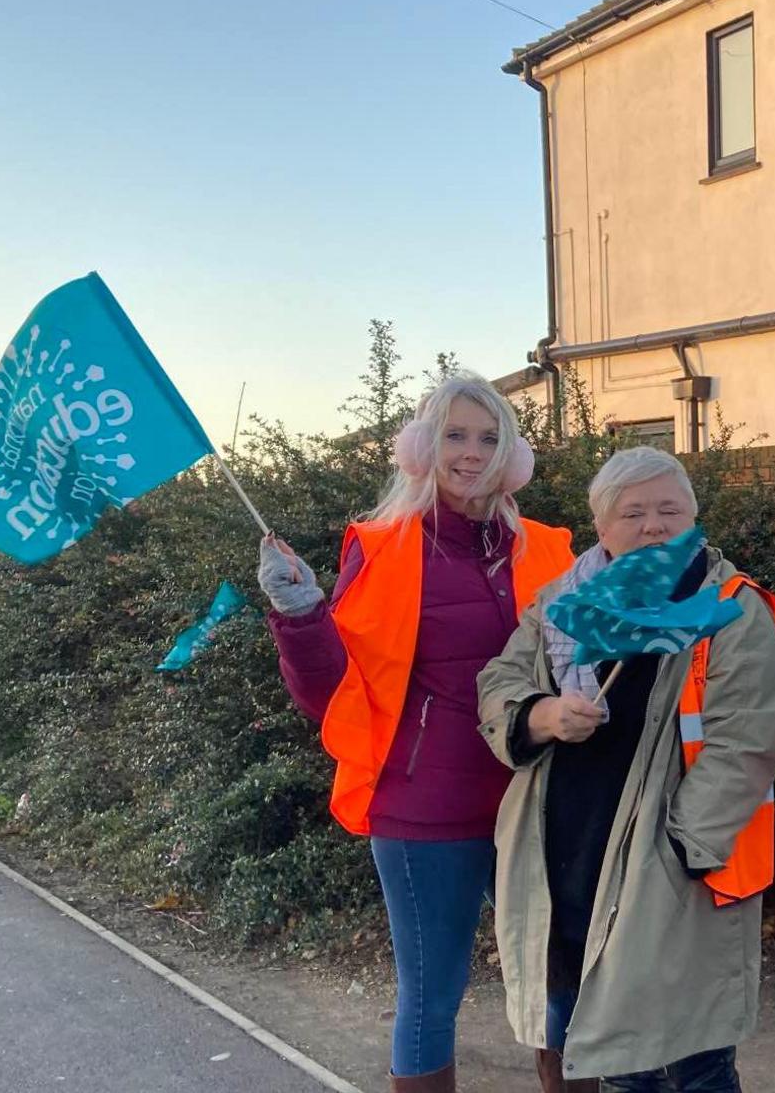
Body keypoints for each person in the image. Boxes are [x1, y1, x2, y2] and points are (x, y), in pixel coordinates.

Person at [258, 374, 575, 1093]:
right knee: (433, 994)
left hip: (534, 803)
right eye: (455, 435)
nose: (472, 453)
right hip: (422, 811)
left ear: (513, 456)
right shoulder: (384, 547)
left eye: (489, 438)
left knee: (564, 974)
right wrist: (302, 615)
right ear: (421, 448)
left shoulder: (551, 549)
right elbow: (330, 696)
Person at [476, 445, 775, 1093]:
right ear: (601, 528)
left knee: (693, 1063)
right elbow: (498, 681)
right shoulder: (560, 602)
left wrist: (680, 850)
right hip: (569, 864)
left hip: (670, 872)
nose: (653, 526)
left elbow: (748, 740)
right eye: (634, 512)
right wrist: (539, 713)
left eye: (669, 510)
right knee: (618, 1062)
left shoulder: (730, 607)